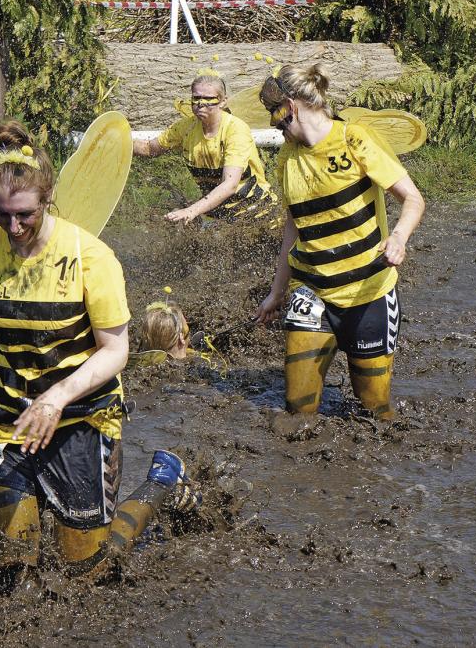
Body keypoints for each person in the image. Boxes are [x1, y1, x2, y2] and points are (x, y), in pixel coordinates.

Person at [0, 120, 195, 575]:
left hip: (82, 421)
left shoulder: (91, 258)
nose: (14, 226)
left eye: (24, 213)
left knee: (87, 573)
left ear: (47, 199)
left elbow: (115, 351)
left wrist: (56, 397)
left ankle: (163, 482)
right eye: (2, 214)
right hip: (9, 420)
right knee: (13, 570)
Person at [253, 65, 425, 424]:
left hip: (369, 294)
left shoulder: (355, 139)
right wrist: (277, 291)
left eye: (275, 115)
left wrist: (399, 237)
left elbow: (412, 199)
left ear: (290, 106)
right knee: (298, 411)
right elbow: (293, 226)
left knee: (375, 413)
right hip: (311, 290)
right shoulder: (288, 157)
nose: (273, 125)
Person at [133, 70, 278, 225]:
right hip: (219, 219)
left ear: (223, 101)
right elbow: (149, 148)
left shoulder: (235, 129)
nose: (200, 104)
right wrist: (113, 142)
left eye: (208, 98)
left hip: (259, 215)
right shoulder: (185, 127)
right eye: (196, 98)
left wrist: (191, 211)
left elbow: (230, 184)